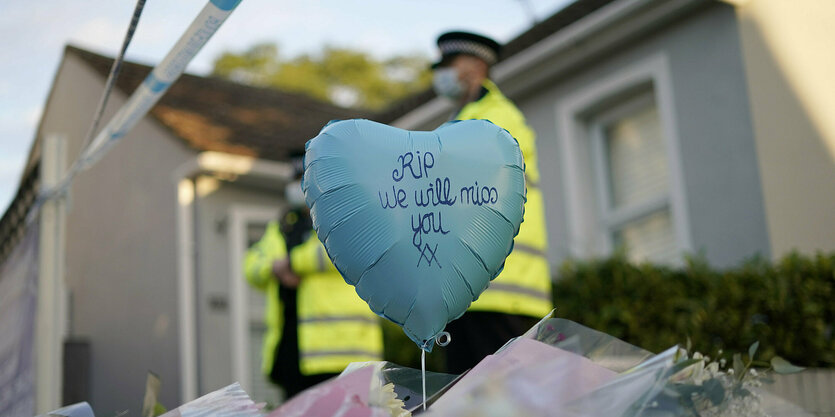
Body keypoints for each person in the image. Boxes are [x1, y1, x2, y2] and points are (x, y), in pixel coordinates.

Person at [431, 31, 554, 373]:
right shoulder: (459, 121)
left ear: (476, 66)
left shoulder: (498, 116)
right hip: (467, 293)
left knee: (505, 402)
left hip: (503, 293)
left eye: (450, 65)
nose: (441, 75)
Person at [244, 167, 383, 398]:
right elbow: (251, 265)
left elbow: (338, 251)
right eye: (295, 181)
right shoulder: (282, 226)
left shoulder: (344, 215)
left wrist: (290, 262)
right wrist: (273, 268)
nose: (298, 188)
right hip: (293, 352)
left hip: (342, 352)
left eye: (304, 181)